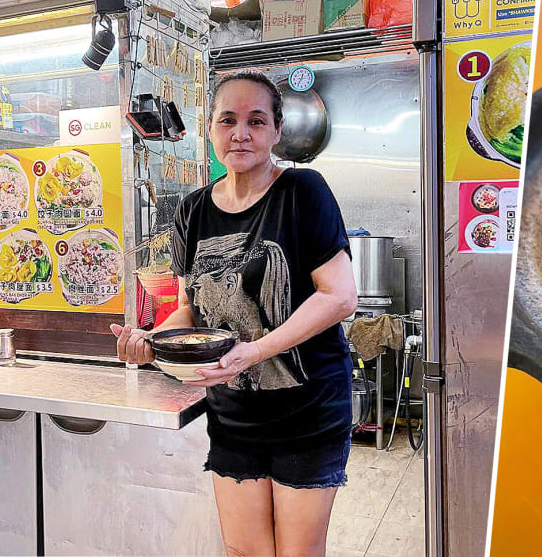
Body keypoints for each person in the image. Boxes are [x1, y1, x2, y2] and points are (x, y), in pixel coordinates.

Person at [111, 69, 357, 556]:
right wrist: (152, 342)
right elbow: (188, 308)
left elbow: (339, 297)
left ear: (276, 131)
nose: (240, 133)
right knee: (245, 551)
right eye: (228, 120)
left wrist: (254, 352)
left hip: (307, 412)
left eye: (256, 121)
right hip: (235, 415)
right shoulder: (193, 210)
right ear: (210, 129)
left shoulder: (303, 193)